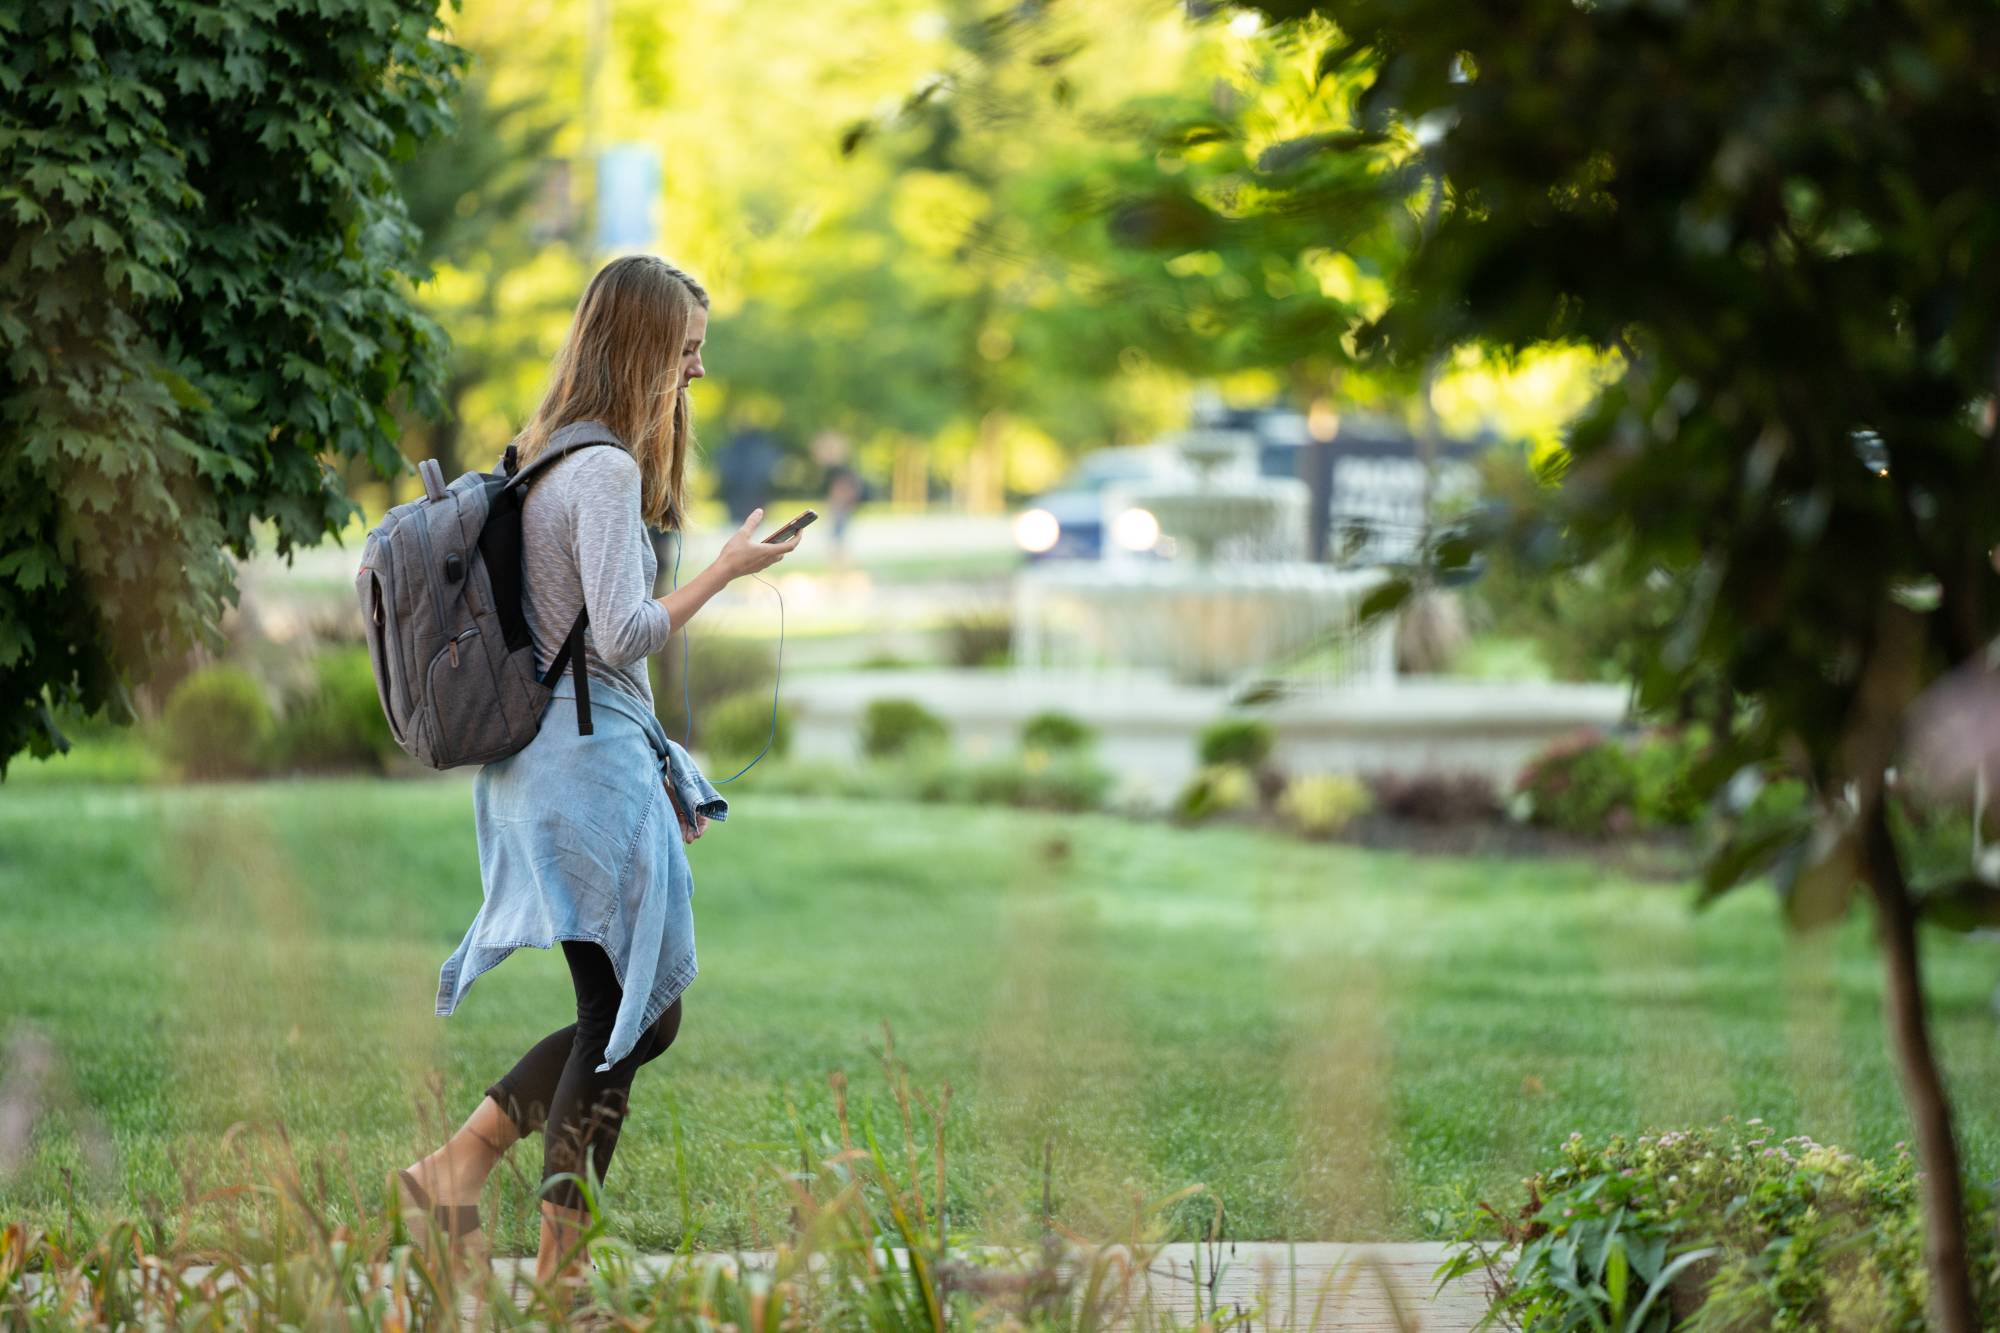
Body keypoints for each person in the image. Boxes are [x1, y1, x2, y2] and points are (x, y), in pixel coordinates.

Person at [390, 255, 800, 1292]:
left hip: (556, 765)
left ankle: (458, 1169)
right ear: (644, 349)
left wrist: (662, 771)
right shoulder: (606, 468)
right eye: (688, 351)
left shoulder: (543, 458)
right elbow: (619, 634)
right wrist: (727, 570)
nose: (696, 374)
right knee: (626, 1020)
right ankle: (558, 1276)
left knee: (625, 1013)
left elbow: (577, 648)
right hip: (581, 772)